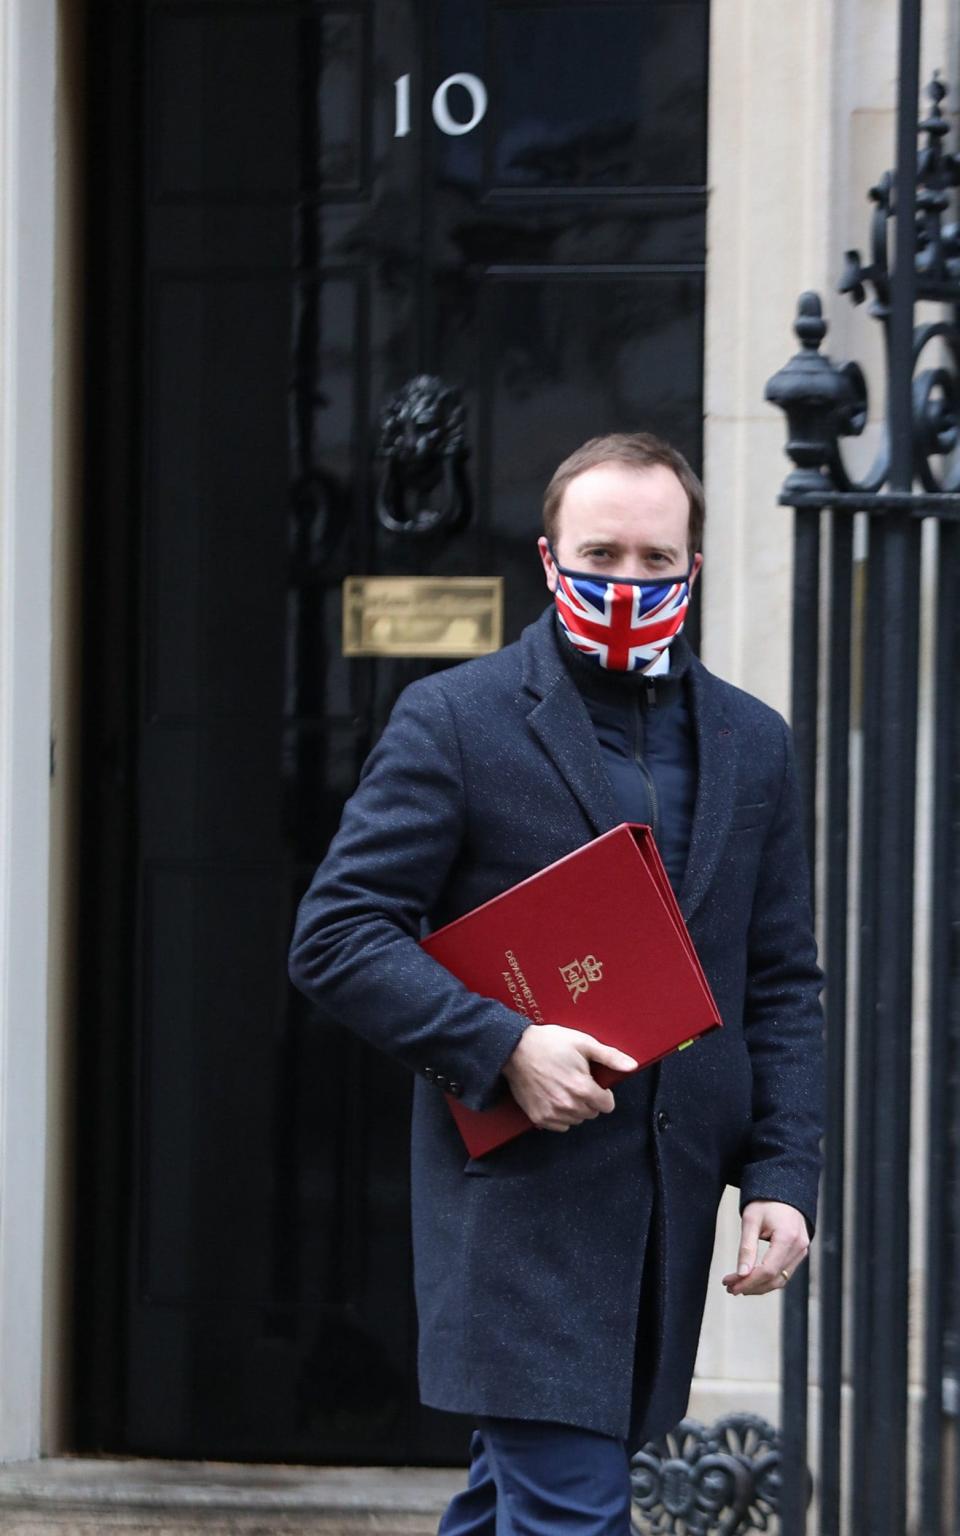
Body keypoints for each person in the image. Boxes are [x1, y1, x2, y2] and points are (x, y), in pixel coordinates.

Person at [287, 432, 825, 1536]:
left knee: (510, 1511)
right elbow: (337, 934)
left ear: (694, 569)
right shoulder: (456, 720)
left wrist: (783, 1172)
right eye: (599, 554)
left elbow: (780, 982)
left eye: (653, 560)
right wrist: (503, 1046)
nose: (626, 583)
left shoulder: (754, 743)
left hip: (666, 1224)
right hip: (519, 1223)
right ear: (546, 559)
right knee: (573, 1519)